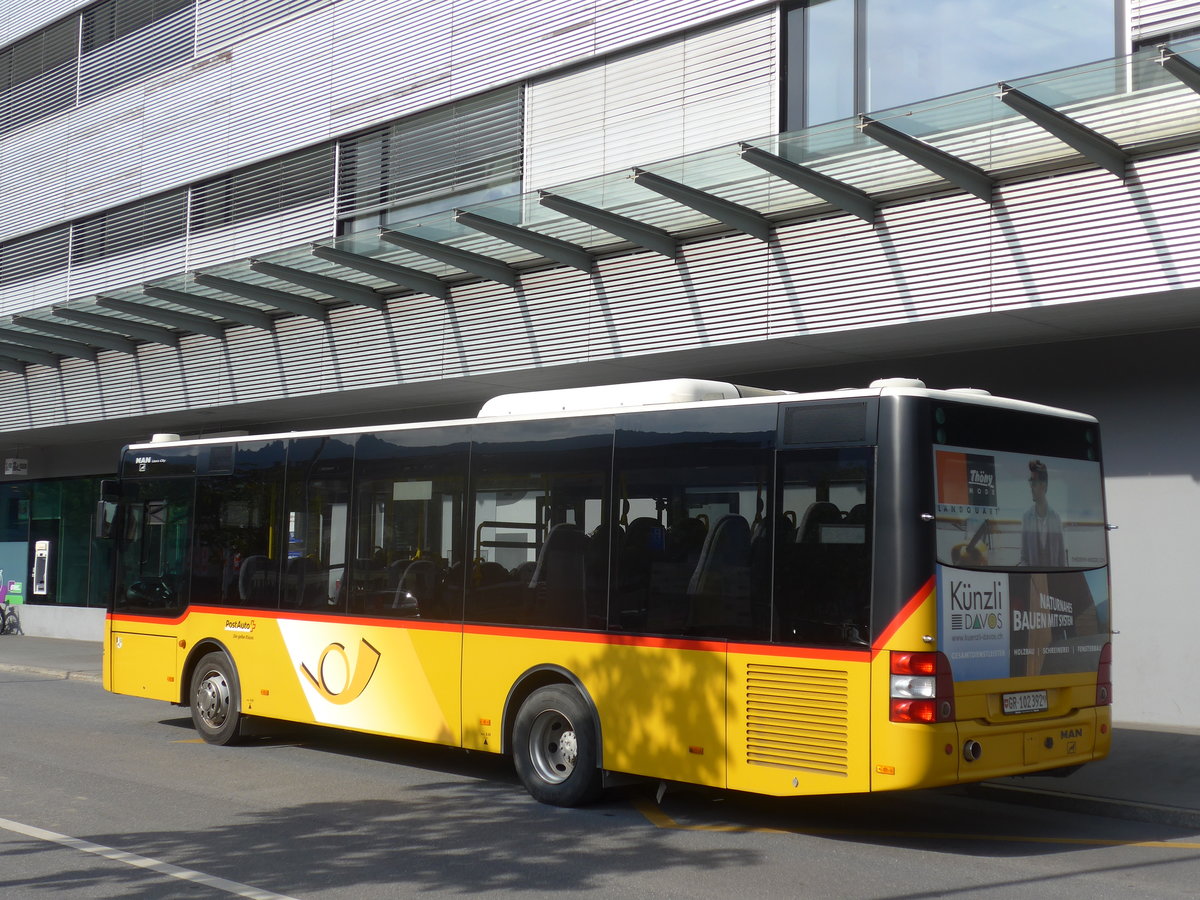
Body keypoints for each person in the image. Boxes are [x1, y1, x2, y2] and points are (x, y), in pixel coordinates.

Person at [1020, 459, 1066, 567]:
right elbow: (1024, 558)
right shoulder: (1027, 518)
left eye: (1034, 482)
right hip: (1035, 581)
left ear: (1044, 485)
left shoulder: (1056, 518)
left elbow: (1061, 560)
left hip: (1053, 580)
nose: (1031, 487)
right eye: (1030, 481)